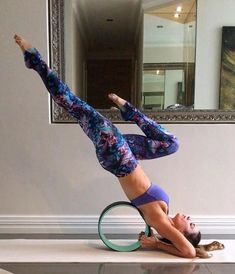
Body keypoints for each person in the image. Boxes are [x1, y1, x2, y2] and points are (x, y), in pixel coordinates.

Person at [14, 34, 201, 258]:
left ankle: (35, 61)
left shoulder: (162, 224)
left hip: (118, 157)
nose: (190, 220)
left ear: (179, 234)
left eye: (191, 226)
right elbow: (193, 250)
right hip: (127, 155)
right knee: (172, 144)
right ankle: (129, 111)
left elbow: (189, 252)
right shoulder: (164, 217)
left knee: (74, 104)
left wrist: (157, 244)